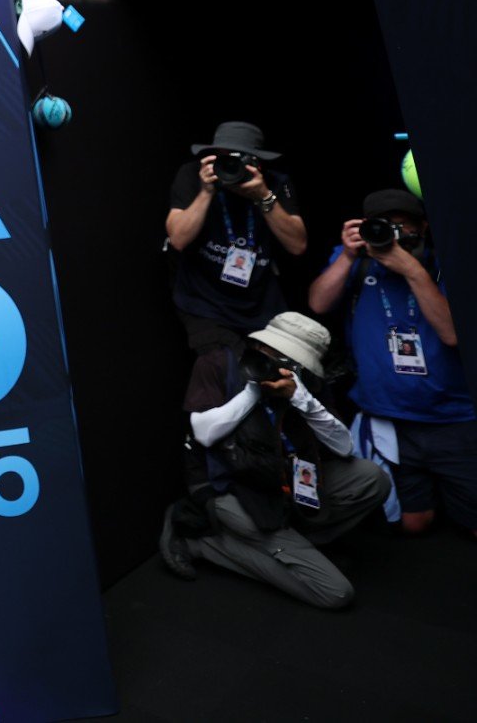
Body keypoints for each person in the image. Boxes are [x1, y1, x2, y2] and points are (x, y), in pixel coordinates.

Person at [162, 312, 386, 609]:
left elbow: (344, 447)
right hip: (234, 488)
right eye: (268, 352)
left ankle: (296, 544)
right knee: (335, 593)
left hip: (286, 481)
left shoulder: (305, 383)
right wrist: (253, 390)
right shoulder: (218, 363)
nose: (273, 362)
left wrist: (302, 398)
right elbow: (204, 433)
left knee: (373, 478)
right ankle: (203, 543)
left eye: (287, 359)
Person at [307, 189, 475, 537]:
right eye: (384, 226)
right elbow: (319, 303)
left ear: (424, 227)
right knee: (414, 523)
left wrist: (413, 270)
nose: (393, 235)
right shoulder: (358, 260)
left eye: (403, 226)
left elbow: (451, 334)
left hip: (453, 419)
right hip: (391, 420)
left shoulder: (443, 264)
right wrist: (347, 257)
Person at [164, 121, 306, 357]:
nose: (231, 165)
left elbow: (297, 245)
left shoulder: (274, 183)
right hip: (204, 301)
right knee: (224, 364)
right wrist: (206, 192)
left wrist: (264, 196)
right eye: (224, 157)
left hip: (260, 303)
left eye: (240, 159)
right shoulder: (192, 174)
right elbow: (178, 238)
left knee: (270, 372)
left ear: (257, 162)